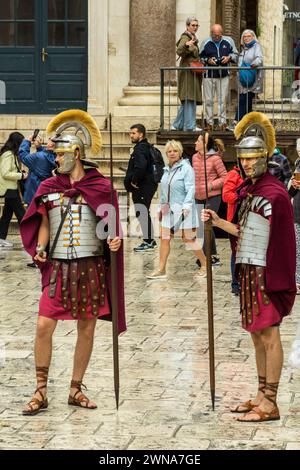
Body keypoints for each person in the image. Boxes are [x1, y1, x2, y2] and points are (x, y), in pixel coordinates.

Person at [20, 110, 126, 415]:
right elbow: (44, 223)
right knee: (43, 325)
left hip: (90, 268)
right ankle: (40, 390)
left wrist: (114, 240)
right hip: (59, 269)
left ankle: (75, 388)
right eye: (56, 154)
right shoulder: (49, 188)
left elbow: (109, 227)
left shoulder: (100, 187)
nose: (56, 160)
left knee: (87, 329)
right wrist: (40, 247)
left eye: (62, 153)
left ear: (77, 153)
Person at [202, 112, 296, 422]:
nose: (246, 163)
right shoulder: (249, 191)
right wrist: (217, 222)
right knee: (256, 334)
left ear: (265, 157)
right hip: (249, 272)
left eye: (253, 157)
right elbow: (244, 232)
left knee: (269, 335)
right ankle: (260, 393)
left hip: (267, 274)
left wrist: (277, 278)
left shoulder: (276, 194)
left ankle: (271, 401)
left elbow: (282, 243)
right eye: (242, 158)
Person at [146, 140, 206, 280]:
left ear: (180, 152)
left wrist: (186, 207)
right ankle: (161, 269)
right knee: (164, 238)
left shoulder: (186, 168)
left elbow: (190, 189)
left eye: (175, 151)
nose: (172, 153)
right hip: (168, 210)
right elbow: (164, 191)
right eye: (169, 151)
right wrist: (161, 208)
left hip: (184, 209)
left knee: (189, 239)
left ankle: (204, 265)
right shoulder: (166, 170)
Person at [192, 132, 227, 266]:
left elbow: (225, 177)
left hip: (212, 196)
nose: (195, 143)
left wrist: (211, 185)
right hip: (198, 196)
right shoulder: (194, 157)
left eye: (198, 140)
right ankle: (212, 255)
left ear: (205, 144)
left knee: (206, 224)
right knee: (202, 226)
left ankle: (207, 256)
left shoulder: (215, 159)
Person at [124, 124, 157, 252]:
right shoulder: (145, 147)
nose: (131, 135)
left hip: (142, 186)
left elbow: (141, 167)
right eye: (130, 133)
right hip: (146, 185)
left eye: (133, 133)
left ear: (141, 134)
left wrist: (134, 181)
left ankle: (149, 241)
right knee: (142, 211)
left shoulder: (140, 149)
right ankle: (149, 240)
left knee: (141, 211)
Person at [200, 24, 238, 131]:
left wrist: (229, 58)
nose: (216, 37)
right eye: (214, 35)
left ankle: (222, 122)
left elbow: (236, 55)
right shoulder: (206, 42)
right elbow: (200, 57)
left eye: (218, 35)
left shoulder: (228, 41)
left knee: (222, 100)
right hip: (209, 75)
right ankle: (209, 123)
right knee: (208, 100)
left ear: (222, 33)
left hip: (224, 75)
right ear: (211, 33)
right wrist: (207, 60)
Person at [171, 16, 202, 132]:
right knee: (189, 97)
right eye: (193, 25)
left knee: (188, 98)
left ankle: (177, 124)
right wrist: (186, 45)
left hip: (191, 71)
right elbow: (179, 50)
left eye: (196, 25)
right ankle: (189, 125)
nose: (195, 27)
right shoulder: (185, 37)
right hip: (188, 71)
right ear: (187, 26)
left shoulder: (192, 37)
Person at [228, 30, 263, 130]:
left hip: (251, 80)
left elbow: (259, 58)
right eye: (244, 37)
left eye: (249, 36)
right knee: (247, 103)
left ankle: (236, 122)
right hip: (243, 80)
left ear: (253, 37)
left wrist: (254, 64)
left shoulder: (256, 46)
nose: (246, 38)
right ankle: (251, 125)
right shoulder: (244, 49)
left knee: (243, 100)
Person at [0, 132, 27, 248]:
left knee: (7, 215)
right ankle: (29, 240)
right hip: (9, 189)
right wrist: (21, 176)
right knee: (22, 215)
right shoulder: (8, 155)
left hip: (12, 189)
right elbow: (5, 173)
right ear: (17, 143)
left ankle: (1, 238)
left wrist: (20, 173)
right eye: (21, 143)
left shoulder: (11, 154)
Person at [222, 165, 243, 295]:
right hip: (236, 218)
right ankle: (236, 284)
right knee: (236, 252)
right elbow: (226, 195)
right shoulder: (233, 174)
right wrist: (242, 197)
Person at [18, 135, 56, 205]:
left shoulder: (40, 157)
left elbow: (23, 156)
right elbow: (45, 157)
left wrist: (27, 141)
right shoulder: (54, 156)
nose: (48, 139)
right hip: (44, 192)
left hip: (34, 193)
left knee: (33, 215)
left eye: (50, 139)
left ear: (51, 144)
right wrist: (39, 147)